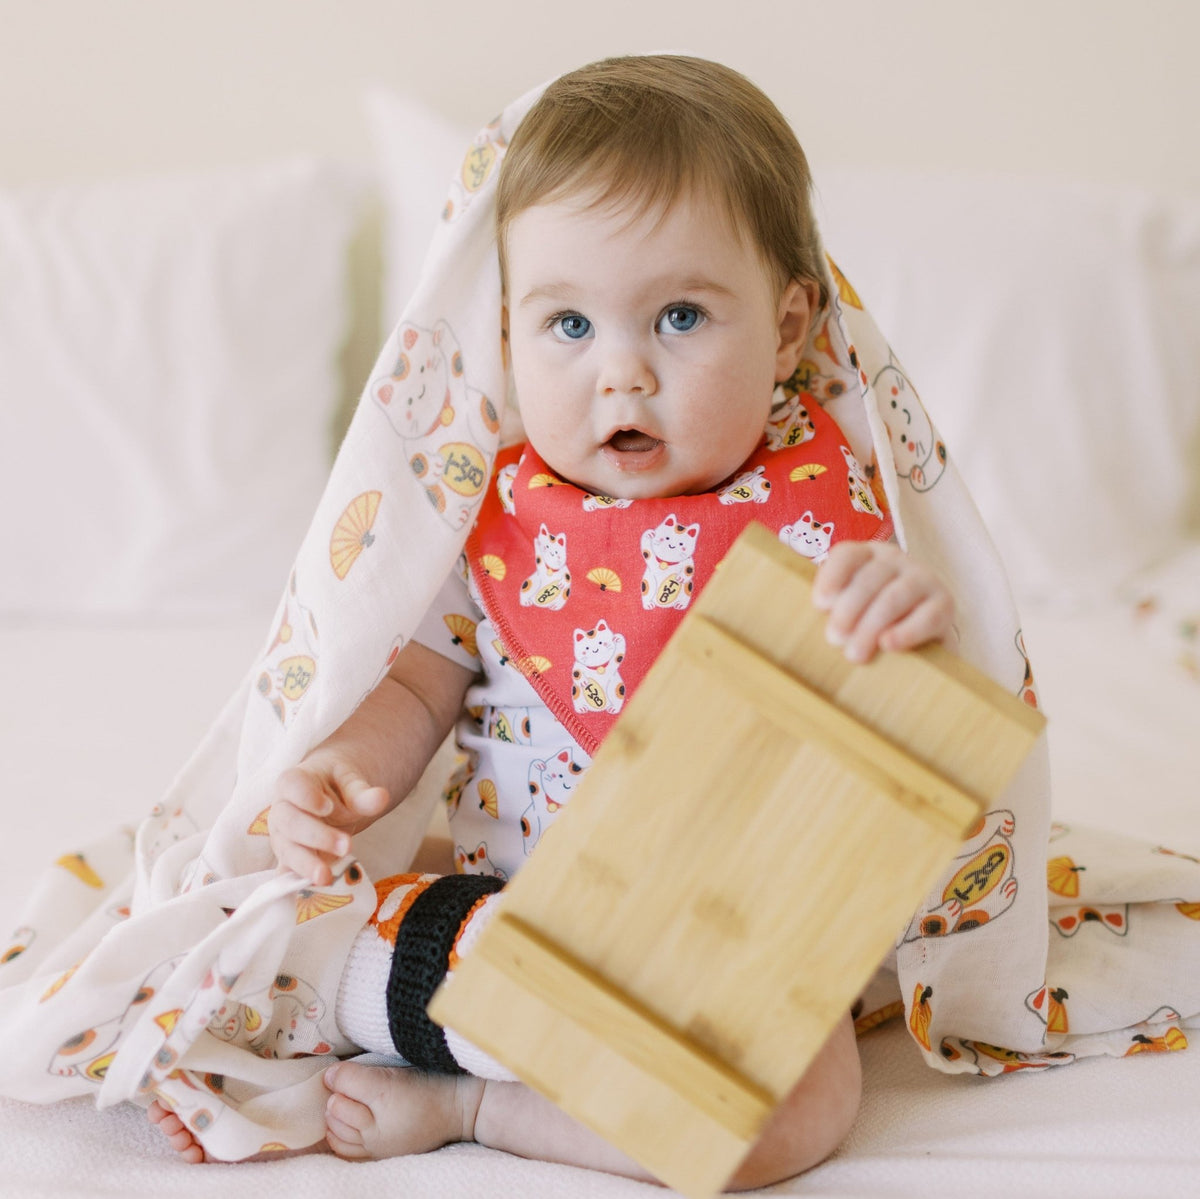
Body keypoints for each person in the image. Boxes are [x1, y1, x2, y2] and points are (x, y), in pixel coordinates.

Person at [152, 54, 957, 1187]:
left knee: (803, 1101)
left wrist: (903, 614)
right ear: (504, 333)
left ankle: (478, 1102)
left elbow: (887, 713)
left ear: (786, 332)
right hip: (510, 910)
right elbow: (424, 682)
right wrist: (344, 771)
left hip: (715, 940)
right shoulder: (492, 514)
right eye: (568, 323)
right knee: (275, 918)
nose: (621, 373)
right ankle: (293, 1035)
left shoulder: (826, 517)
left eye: (679, 315)